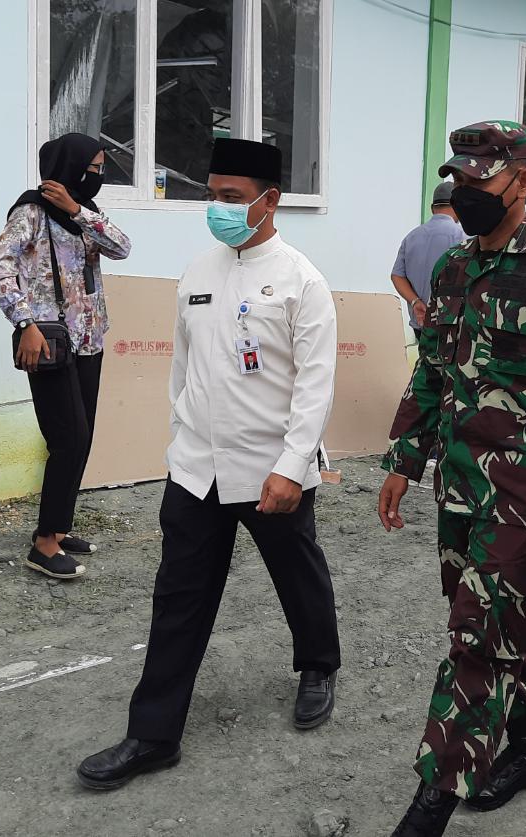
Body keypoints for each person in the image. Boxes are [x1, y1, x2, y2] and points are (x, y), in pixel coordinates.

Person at [77, 138, 341, 790]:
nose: (217, 207)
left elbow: (315, 386)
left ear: (269, 200)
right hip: (197, 469)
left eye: (231, 197)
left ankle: (318, 663)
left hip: (270, 469)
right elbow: (183, 369)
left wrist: (291, 466)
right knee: (178, 597)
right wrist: (181, 443)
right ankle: (153, 734)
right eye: (212, 194)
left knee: (297, 572)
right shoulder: (197, 272)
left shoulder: (302, 281)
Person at [378, 121, 526, 836]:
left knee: (477, 641)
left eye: (481, 179)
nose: (465, 192)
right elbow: (433, 370)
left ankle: (430, 807)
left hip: (522, 496)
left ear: (524, 182)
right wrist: (404, 458)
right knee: (490, 624)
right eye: (459, 179)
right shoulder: (452, 268)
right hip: (458, 485)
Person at [0, 133, 132, 579]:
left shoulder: (84, 214)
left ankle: (59, 527)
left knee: (81, 439)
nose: (98, 175)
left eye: (101, 167)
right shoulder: (30, 213)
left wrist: (77, 210)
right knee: (67, 439)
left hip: (89, 341)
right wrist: (24, 323)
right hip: (48, 343)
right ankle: (44, 544)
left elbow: (122, 247)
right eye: (92, 167)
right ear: (69, 166)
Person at [391, 182, 465, 339]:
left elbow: (397, 276)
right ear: (458, 205)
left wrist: (415, 302)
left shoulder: (411, 237)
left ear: (432, 208)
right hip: (450, 327)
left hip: (420, 322)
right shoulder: (464, 238)